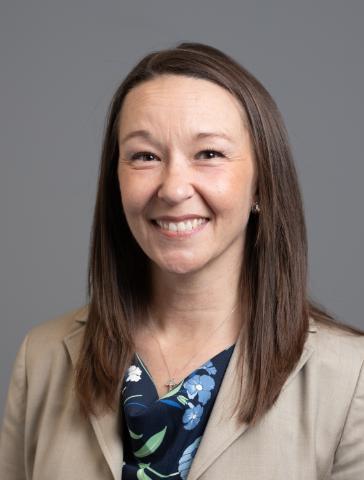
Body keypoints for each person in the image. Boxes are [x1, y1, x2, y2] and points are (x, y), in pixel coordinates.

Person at [0, 42, 363, 480]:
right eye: (144, 156)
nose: (173, 188)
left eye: (208, 154)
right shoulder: (41, 357)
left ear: (261, 184)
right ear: (115, 181)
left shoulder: (351, 379)